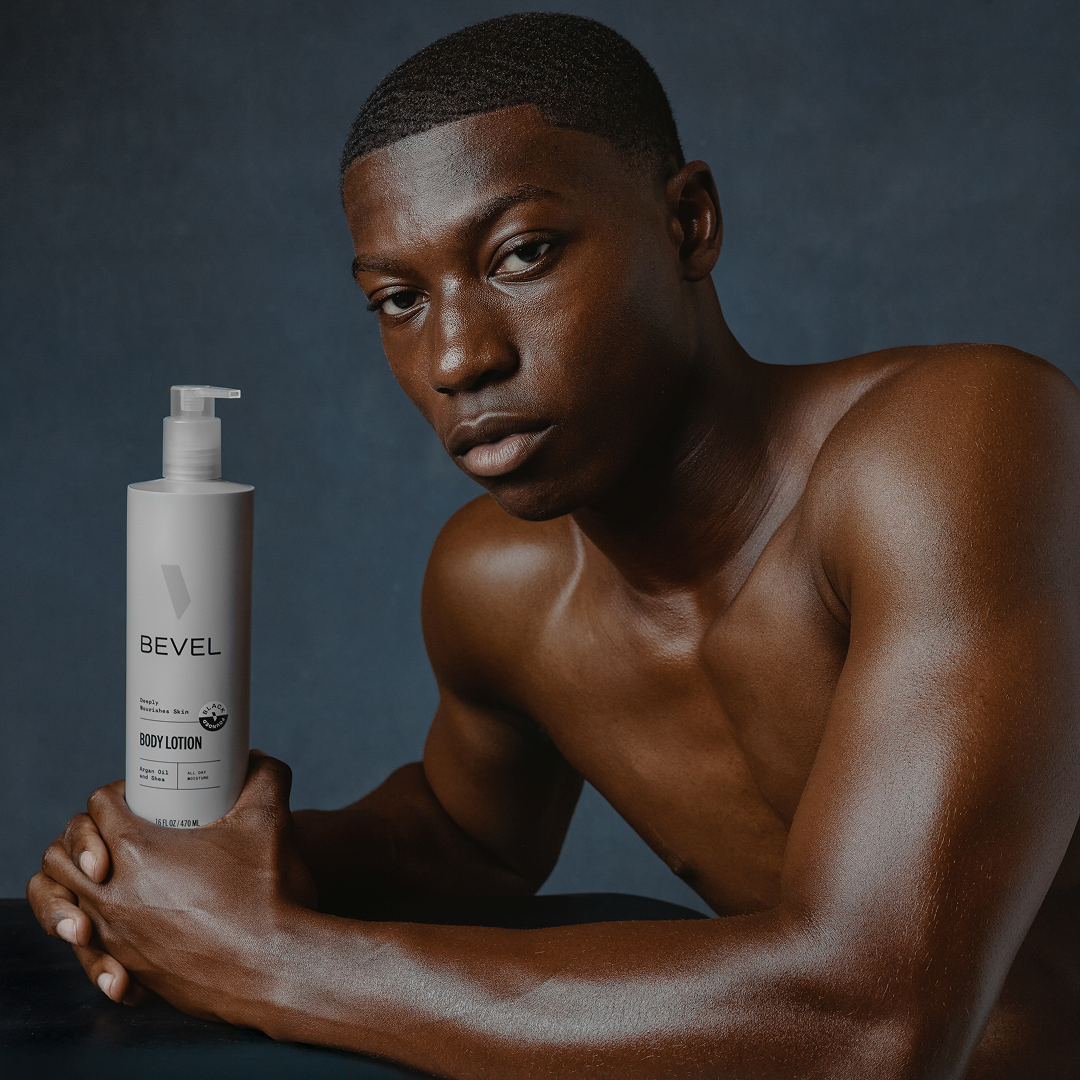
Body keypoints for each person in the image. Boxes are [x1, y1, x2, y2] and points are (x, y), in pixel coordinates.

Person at [26, 12, 1080, 1078]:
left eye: (522, 254)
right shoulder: (498, 586)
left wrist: (267, 961)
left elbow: (877, 1018)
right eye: (398, 299)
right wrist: (182, 873)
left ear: (690, 223)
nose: (455, 357)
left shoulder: (959, 445)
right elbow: (469, 839)